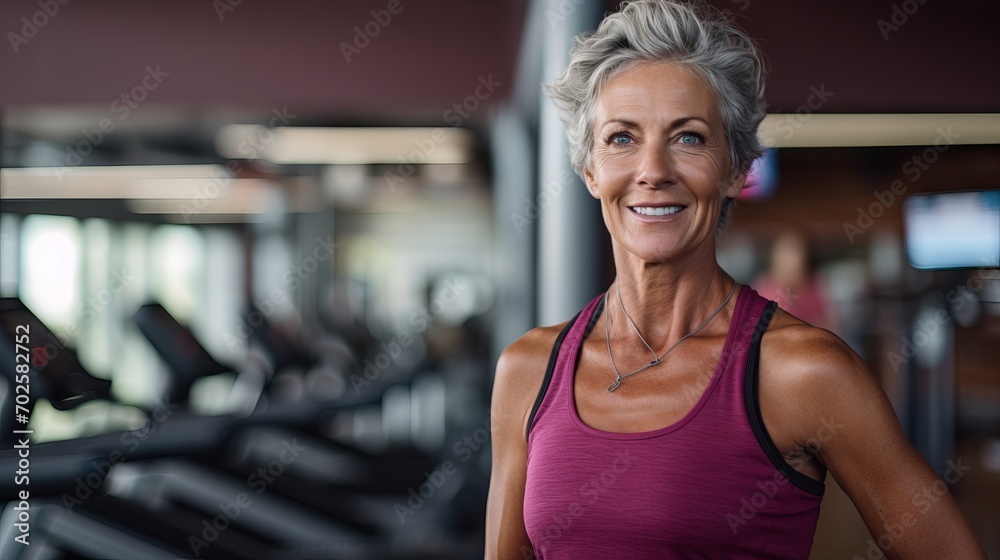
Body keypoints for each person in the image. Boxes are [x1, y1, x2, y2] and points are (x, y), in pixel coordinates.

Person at [484, 1, 986, 558]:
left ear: (735, 170)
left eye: (689, 137)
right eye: (622, 138)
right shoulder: (527, 370)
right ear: (590, 170)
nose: (653, 169)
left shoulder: (805, 372)